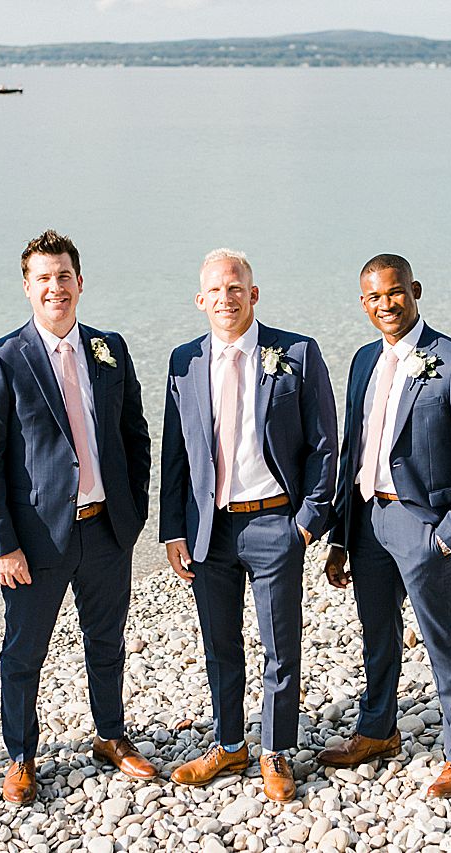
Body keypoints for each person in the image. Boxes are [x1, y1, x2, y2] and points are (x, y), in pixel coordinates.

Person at [0, 229, 154, 804]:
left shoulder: (109, 347)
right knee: (24, 650)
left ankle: (111, 735)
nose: (55, 288)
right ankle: (20, 757)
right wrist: (2, 544)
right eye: (43, 278)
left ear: (79, 282)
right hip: (36, 539)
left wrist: (133, 513)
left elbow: (135, 434)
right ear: (27, 287)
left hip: (106, 529)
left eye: (63, 276)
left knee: (108, 640)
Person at [320, 253, 451, 799]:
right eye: (374, 297)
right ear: (363, 303)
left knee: (443, 637)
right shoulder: (361, 362)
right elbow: (352, 452)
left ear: (415, 290)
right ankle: (377, 731)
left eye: (395, 293)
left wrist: (450, 534)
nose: (387, 305)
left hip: (423, 526)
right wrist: (339, 537)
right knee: (377, 635)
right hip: (367, 521)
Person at [160, 249, 338, 803]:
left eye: (235, 288)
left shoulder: (297, 353)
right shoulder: (184, 361)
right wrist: (173, 530)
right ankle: (229, 742)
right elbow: (176, 454)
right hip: (209, 530)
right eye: (214, 290)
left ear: (253, 294)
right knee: (220, 643)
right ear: (200, 300)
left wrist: (306, 523)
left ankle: (276, 749)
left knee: (281, 644)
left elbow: (325, 446)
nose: (225, 299)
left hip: (274, 525)